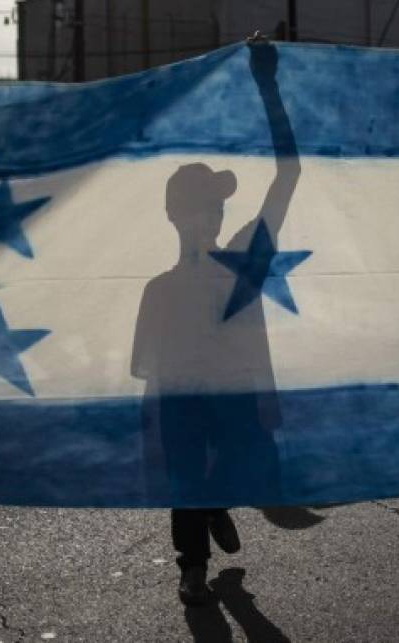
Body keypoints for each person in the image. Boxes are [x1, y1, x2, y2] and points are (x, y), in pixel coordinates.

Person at [131, 36, 301, 606]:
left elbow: (288, 175)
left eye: (220, 205)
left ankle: (216, 504)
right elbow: (147, 374)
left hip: (235, 405)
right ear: (176, 216)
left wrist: (267, 85)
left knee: (222, 474)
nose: (216, 213)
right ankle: (193, 563)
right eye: (204, 204)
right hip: (182, 404)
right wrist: (148, 429)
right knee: (184, 481)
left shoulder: (245, 266)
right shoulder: (157, 292)